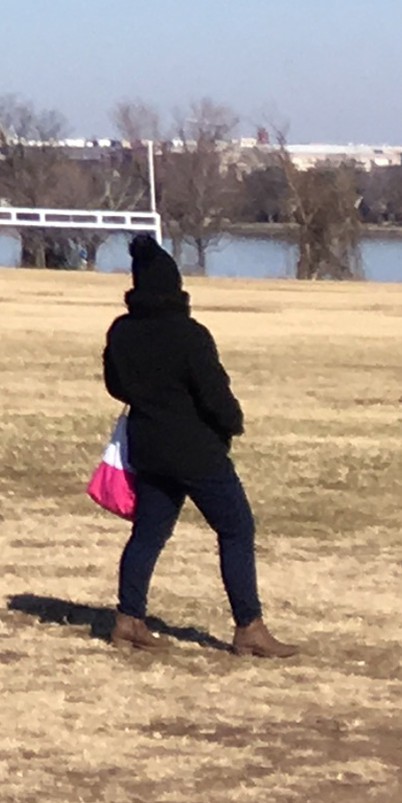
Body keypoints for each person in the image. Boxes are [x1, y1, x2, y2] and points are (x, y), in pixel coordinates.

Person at [101, 231, 283, 654]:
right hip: (197, 451)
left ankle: (128, 619)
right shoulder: (189, 334)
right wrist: (232, 424)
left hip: (148, 449)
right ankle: (249, 626)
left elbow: (116, 386)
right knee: (236, 528)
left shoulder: (121, 331)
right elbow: (215, 395)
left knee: (148, 533)